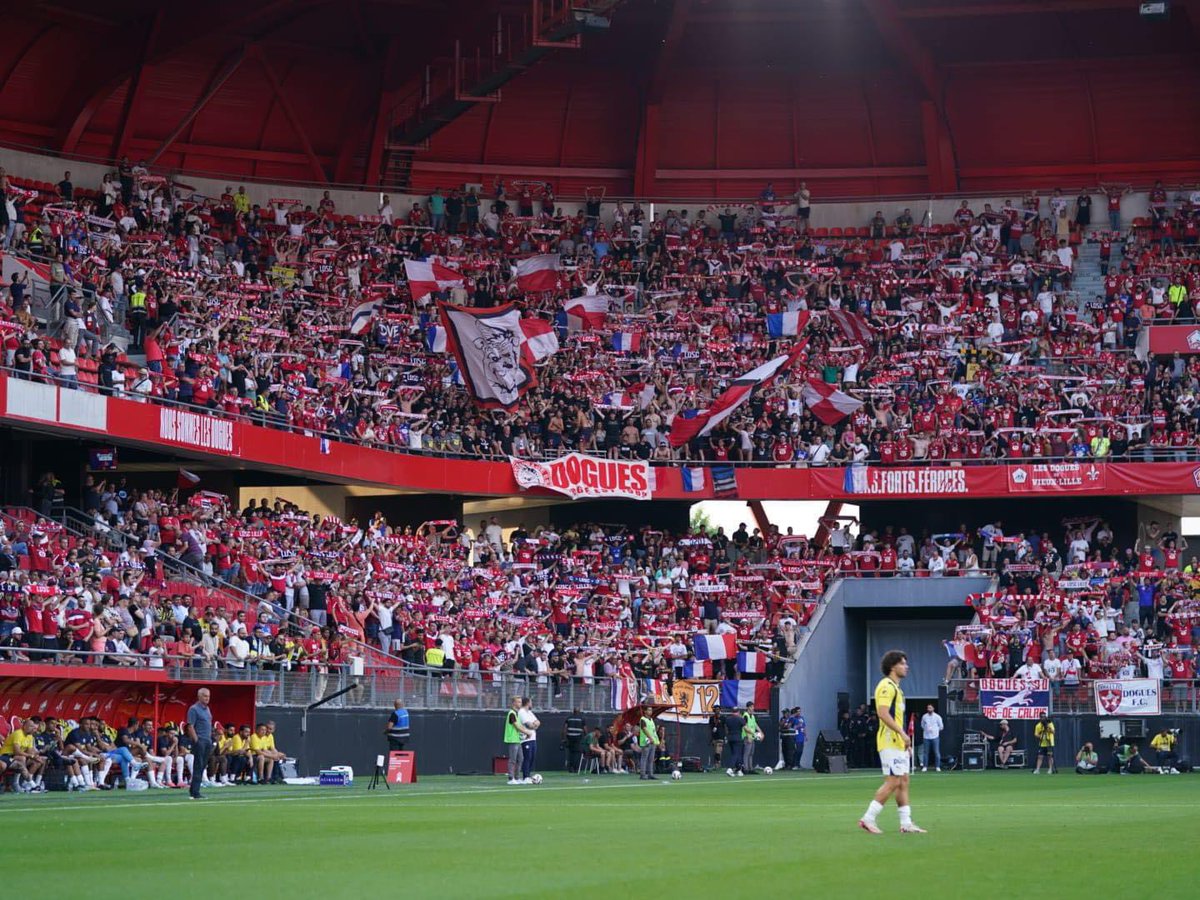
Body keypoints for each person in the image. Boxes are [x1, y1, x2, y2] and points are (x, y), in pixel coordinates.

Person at [859, 650, 926, 834]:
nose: (906, 666)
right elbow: (882, 713)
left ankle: (906, 823)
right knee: (893, 781)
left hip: (897, 742)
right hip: (889, 740)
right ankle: (868, 818)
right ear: (892, 666)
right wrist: (902, 733)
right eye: (903, 663)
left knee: (903, 780)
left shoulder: (897, 689)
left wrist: (904, 739)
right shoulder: (886, 685)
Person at [186, 687, 213, 799]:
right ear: (199, 696)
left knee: (202, 766)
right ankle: (195, 792)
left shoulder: (207, 709)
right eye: (205, 696)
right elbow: (190, 726)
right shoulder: (194, 709)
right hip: (200, 740)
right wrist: (196, 740)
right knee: (198, 766)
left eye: (208, 696)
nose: (207, 698)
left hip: (207, 740)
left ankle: (193, 789)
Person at [503, 696, 527, 785]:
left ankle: (516, 778)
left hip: (517, 740)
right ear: (514, 703)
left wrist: (525, 732)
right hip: (512, 739)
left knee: (520, 759)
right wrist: (527, 732)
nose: (520, 704)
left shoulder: (517, 714)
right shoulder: (512, 713)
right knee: (512, 759)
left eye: (520, 702)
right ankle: (511, 778)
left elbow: (520, 726)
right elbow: (516, 726)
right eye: (518, 702)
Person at [518, 697, 540, 784]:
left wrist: (534, 725)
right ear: (527, 703)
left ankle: (528, 775)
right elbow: (529, 725)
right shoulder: (522, 712)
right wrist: (534, 726)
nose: (532, 704)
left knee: (532, 758)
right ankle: (525, 776)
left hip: (533, 738)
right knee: (527, 757)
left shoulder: (529, 712)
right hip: (525, 739)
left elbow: (538, 722)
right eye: (531, 702)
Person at [637, 705, 661, 780]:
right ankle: (643, 774)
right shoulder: (643, 719)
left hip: (652, 741)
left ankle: (650, 774)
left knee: (651, 759)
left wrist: (656, 740)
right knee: (644, 758)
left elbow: (653, 731)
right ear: (645, 711)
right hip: (646, 741)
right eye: (649, 710)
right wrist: (650, 738)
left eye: (651, 710)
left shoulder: (651, 720)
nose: (650, 711)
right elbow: (644, 729)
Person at [920, 703, 944, 772]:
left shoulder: (937, 717)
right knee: (925, 752)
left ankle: (937, 766)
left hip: (935, 737)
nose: (929, 709)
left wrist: (935, 730)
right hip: (926, 737)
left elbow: (941, 726)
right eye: (928, 708)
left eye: (930, 708)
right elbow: (922, 725)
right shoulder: (924, 716)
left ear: (933, 709)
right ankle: (925, 766)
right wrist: (926, 729)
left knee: (936, 752)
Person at [741, 702, 761, 773]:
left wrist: (761, 732)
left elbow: (755, 725)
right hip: (747, 736)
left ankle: (750, 768)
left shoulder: (752, 716)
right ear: (748, 707)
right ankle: (746, 769)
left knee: (751, 753)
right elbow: (745, 726)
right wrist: (749, 736)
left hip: (752, 736)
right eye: (752, 707)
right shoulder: (745, 716)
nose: (753, 708)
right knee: (747, 753)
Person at [708, 705, 726, 771]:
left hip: (721, 736)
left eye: (718, 709)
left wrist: (725, 736)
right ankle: (717, 764)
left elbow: (725, 727)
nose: (717, 711)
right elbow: (710, 727)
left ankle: (717, 764)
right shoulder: (712, 718)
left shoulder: (723, 718)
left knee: (718, 750)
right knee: (716, 751)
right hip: (714, 736)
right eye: (716, 709)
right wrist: (712, 737)